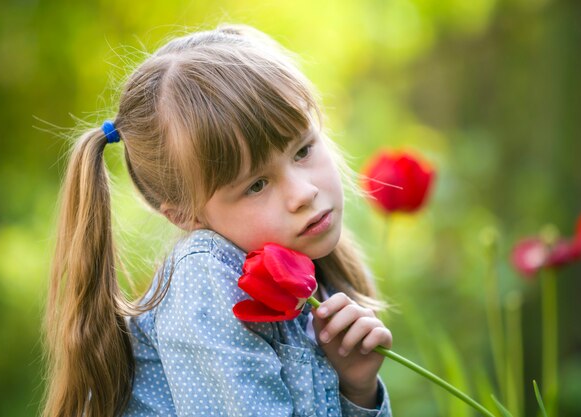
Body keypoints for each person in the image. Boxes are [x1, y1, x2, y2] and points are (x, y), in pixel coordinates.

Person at [44, 24, 393, 417]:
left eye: (302, 150)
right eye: (257, 185)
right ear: (185, 215)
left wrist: (357, 389)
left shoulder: (315, 274)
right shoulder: (205, 276)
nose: (303, 193)